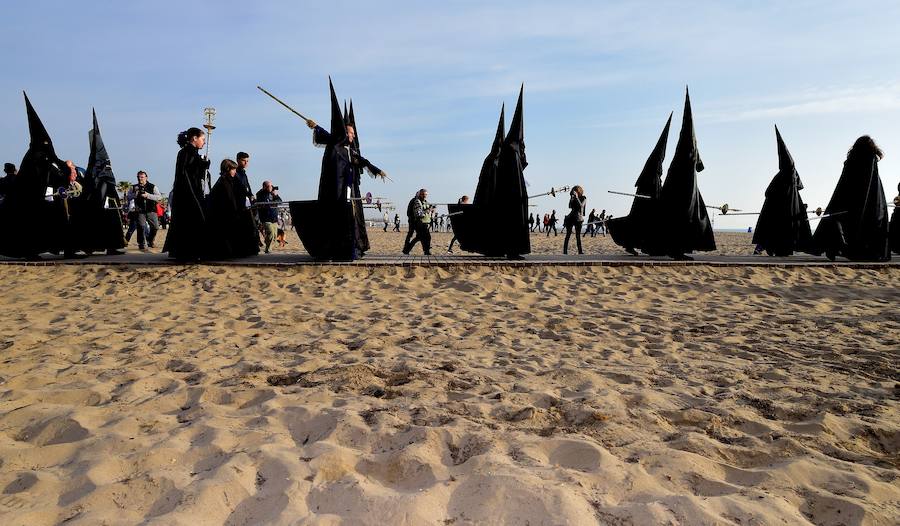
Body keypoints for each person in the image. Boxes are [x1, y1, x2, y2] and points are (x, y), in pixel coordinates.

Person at [296, 79, 387, 260]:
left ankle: (354, 247)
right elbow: (328, 136)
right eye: (350, 133)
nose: (353, 135)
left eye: (353, 133)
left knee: (352, 220)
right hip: (336, 193)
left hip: (350, 191)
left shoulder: (349, 150)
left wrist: (376, 170)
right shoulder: (336, 145)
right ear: (345, 134)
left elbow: (363, 160)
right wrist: (315, 126)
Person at [644, 88, 715, 260]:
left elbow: (698, 163)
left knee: (690, 216)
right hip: (682, 189)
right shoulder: (685, 149)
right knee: (681, 216)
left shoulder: (687, 147)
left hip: (687, 188)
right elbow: (698, 164)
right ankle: (675, 248)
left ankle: (678, 247)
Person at [0, 93, 73, 259]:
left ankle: (67, 250)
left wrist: (65, 171)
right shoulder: (33, 157)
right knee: (32, 226)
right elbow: (35, 176)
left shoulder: (47, 156)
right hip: (32, 201)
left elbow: (58, 167)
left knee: (61, 222)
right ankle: (31, 251)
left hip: (50, 198)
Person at [810, 136, 890, 261]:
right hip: (870, 201)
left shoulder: (851, 160)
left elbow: (844, 182)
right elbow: (871, 184)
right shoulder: (870, 158)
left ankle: (835, 247)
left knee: (840, 221)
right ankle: (848, 249)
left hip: (849, 197)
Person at [607, 114, 671, 254]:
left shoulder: (652, 170)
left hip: (648, 203)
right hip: (645, 203)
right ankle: (633, 245)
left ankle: (650, 247)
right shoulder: (652, 172)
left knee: (646, 225)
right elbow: (655, 184)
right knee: (639, 224)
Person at [751, 126, 813, 256]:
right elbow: (771, 193)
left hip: (785, 213)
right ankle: (766, 247)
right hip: (779, 212)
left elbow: (769, 192)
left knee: (777, 230)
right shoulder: (787, 175)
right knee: (773, 229)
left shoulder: (785, 176)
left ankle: (770, 248)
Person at [164, 127, 210, 261]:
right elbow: (185, 174)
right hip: (188, 193)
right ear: (194, 138)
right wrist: (202, 164)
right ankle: (188, 252)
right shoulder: (186, 152)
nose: (204, 143)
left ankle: (193, 251)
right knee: (190, 222)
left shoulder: (192, 153)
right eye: (202, 139)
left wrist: (204, 164)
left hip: (192, 191)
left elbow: (195, 172)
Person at [208, 159, 259, 258]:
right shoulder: (223, 182)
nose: (235, 171)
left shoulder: (232, 180)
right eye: (233, 169)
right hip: (226, 214)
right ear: (228, 169)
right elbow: (228, 199)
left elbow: (240, 191)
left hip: (234, 212)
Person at [130, 171, 162, 250]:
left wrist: (148, 195)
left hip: (151, 210)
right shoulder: (134, 187)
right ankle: (141, 243)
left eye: (142, 177)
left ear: (146, 177)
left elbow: (159, 197)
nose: (140, 179)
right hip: (140, 210)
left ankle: (150, 241)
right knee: (141, 226)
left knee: (155, 227)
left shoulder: (153, 186)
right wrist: (135, 195)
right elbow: (128, 197)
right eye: (138, 177)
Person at [403, 188, 432, 255]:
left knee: (420, 237)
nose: (424, 196)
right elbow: (417, 213)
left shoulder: (424, 201)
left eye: (425, 195)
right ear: (419, 194)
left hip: (422, 222)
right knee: (424, 237)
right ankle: (426, 251)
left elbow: (425, 209)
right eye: (422, 194)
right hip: (418, 222)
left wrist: (430, 210)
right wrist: (427, 211)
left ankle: (407, 250)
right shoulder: (416, 201)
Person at [256, 180, 281, 253]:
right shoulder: (260, 194)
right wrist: (272, 202)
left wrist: (275, 195)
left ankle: (267, 242)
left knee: (274, 236)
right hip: (265, 218)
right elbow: (264, 202)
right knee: (270, 232)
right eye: (269, 186)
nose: (271, 187)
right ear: (264, 187)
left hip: (274, 218)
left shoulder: (272, 193)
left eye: (271, 186)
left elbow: (280, 201)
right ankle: (268, 249)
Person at [563, 186, 586, 254]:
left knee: (578, 236)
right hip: (571, 217)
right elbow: (570, 206)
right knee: (568, 235)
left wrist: (577, 198)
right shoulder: (573, 197)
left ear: (578, 191)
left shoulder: (583, 198)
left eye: (575, 191)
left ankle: (580, 251)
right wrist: (571, 199)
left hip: (578, 218)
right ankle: (565, 252)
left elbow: (581, 206)